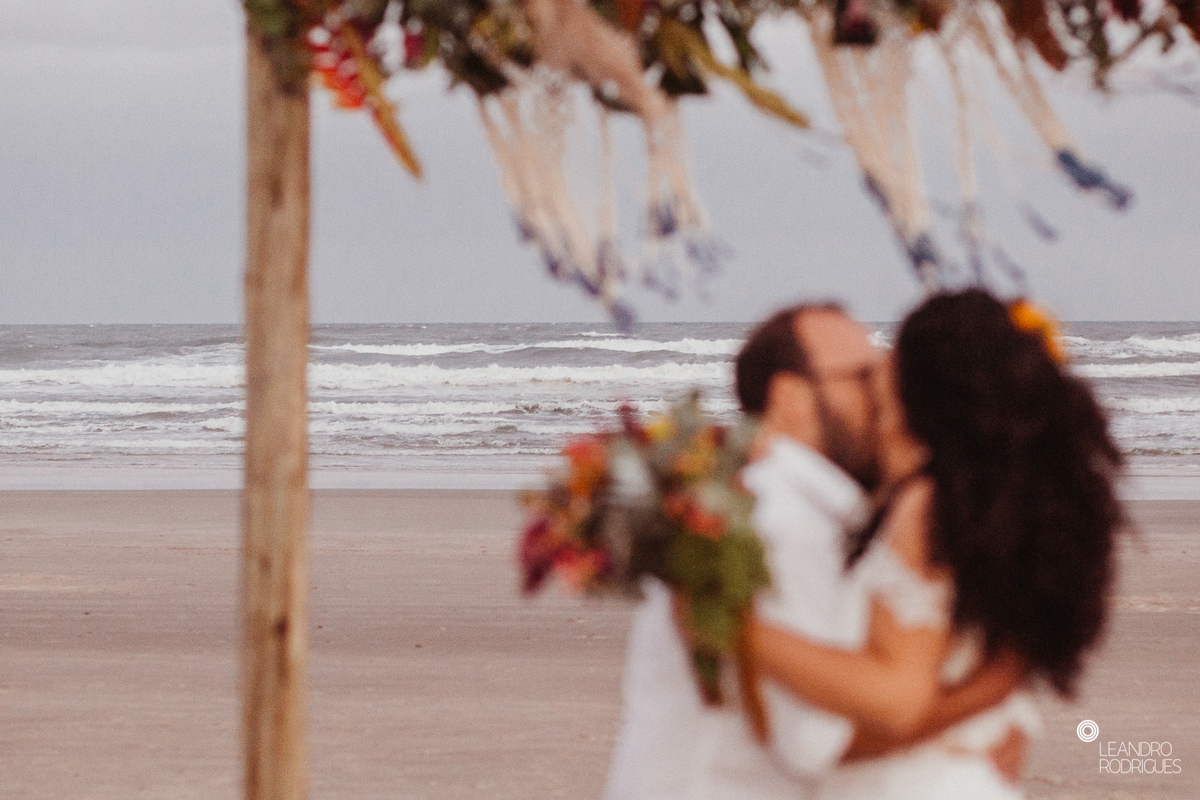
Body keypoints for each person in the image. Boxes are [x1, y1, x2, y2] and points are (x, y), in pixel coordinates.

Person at [603, 301, 1030, 800]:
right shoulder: (783, 522)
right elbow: (816, 743)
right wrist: (983, 696)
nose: (886, 394)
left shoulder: (793, 508)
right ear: (791, 399)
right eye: (863, 377)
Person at [745, 289, 1125, 799]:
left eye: (890, 358)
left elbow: (896, 696)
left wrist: (744, 635)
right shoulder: (970, 507)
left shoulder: (927, 508)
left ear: (921, 388)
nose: (878, 368)